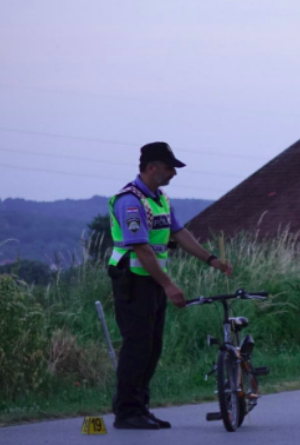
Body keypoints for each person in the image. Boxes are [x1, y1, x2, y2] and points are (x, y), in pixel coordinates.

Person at [108, 142, 233, 430]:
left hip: (151, 282)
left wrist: (211, 259)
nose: (174, 173)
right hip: (133, 281)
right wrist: (169, 285)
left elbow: (180, 232)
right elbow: (141, 248)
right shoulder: (130, 201)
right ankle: (127, 413)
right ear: (151, 167)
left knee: (152, 348)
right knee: (137, 348)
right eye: (169, 167)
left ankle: (140, 408)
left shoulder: (159, 199)